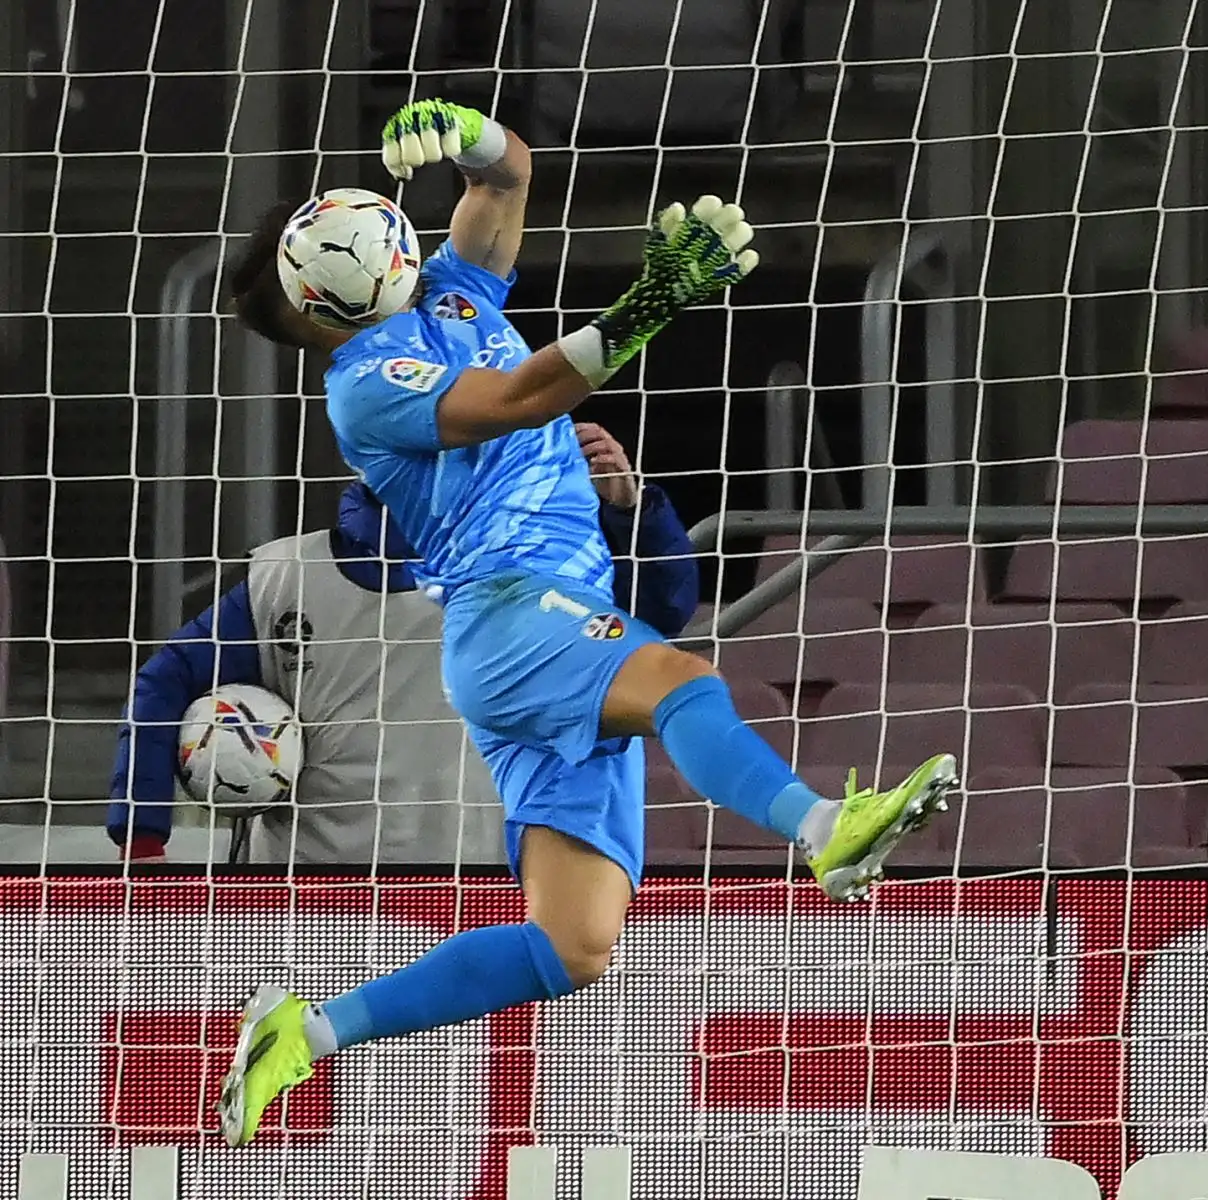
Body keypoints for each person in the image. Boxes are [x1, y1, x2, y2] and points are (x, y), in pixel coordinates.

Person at [214, 98, 956, 1146]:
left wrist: (464, 136)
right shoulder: (367, 384)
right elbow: (521, 397)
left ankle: (310, 1031)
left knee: (575, 948)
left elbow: (507, 177)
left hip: (543, 626)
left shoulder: (457, 293)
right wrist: (657, 296)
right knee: (681, 682)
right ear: (326, 302)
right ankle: (826, 831)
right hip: (513, 613)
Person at [106, 423, 696, 867]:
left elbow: (663, 612)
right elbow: (165, 680)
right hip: (304, 900)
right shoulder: (284, 577)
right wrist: (142, 840)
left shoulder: (536, 569)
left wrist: (631, 514)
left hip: (479, 890)